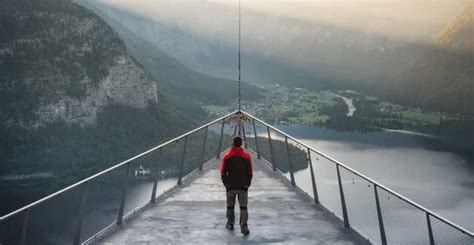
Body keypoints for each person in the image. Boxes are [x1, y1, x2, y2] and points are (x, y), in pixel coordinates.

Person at [220, 136, 253, 235]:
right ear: (241, 144)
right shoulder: (247, 157)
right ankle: (244, 227)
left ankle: (230, 223)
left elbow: (222, 173)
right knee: (243, 207)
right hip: (243, 186)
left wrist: (226, 185)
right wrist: (247, 185)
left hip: (231, 187)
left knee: (230, 206)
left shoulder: (227, 157)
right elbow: (250, 173)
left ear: (233, 144)